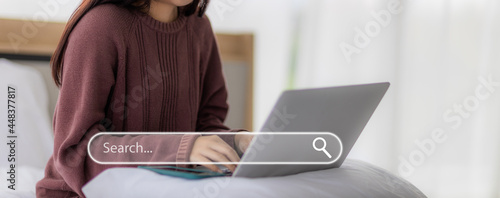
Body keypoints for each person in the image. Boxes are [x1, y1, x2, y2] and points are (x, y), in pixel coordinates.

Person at [36, 0, 251, 197]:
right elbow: (77, 151)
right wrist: (178, 149)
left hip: (171, 189)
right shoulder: (100, 26)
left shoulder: (199, 28)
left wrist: (236, 143)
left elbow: (204, 127)